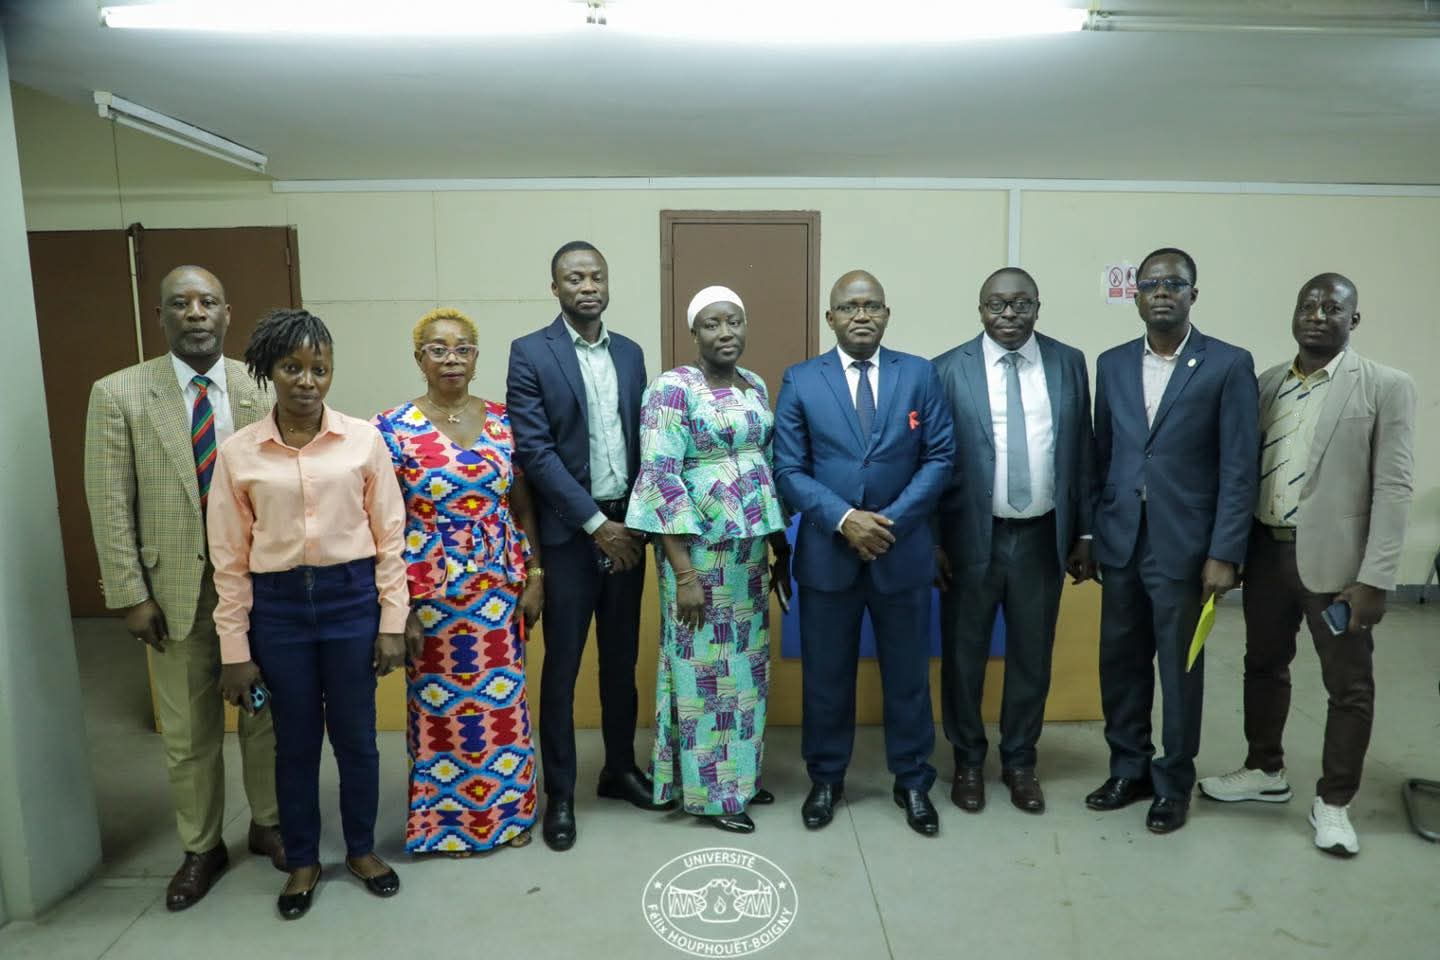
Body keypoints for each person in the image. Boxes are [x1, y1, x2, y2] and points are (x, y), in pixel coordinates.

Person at [83, 265, 282, 911]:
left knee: (265, 715)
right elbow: (110, 500)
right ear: (162, 317)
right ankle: (201, 847)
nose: (195, 313)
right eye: (180, 304)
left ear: (227, 313)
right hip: (173, 593)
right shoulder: (119, 394)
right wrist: (129, 593)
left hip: (259, 587)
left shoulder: (262, 384)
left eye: (207, 302)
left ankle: (269, 824)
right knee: (188, 733)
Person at [1198, 273, 1416, 857]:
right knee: (1263, 665)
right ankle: (1264, 769)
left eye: (1333, 307)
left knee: (1348, 686)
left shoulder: (1385, 387)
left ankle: (1335, 802)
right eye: (1308, 305)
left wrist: (1375, 578)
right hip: (1267, 551)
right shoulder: (1267, 384)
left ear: (1354, 319)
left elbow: (1394, 488)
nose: (1318, 314)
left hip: (1338, 566)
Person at [207, 309, 407, 919]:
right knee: (291, 743)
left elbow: (391, 537)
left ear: (330, 373)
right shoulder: (239, 453)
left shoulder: (363, 441)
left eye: (318, 368)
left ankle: (361, 850)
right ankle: (301, 860)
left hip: (351, 601)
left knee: (357, 739)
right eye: (292, 367)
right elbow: (229, 560)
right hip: (280, 610)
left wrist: (393, 622)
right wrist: (235, 652)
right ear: (270, 372)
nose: (306, 380)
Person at [773, 270, 955, 837]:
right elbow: (787, 469)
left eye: (872, 306)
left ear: (886, 314)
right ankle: (826, 779)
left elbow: (941, 457)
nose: (861, 315)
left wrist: (888, 524)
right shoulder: (801, 380)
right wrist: (845, 519)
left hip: (902, 555)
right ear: (830, 318)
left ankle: (913, 780)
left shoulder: (919, 374)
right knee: (826, 678)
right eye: (849, 307)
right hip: (829, 556)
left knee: (907, 676)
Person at [1087, 247, 1259, 835]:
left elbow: (1240, 466)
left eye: (1174, 283)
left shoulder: (1227, 365)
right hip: (1122, 542)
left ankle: (1173, 781)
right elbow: (1102, 454)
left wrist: (1226, 552)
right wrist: (1093, 530)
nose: (1162, 292)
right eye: (1150, 284)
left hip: (1186, 550)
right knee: (1121, 663)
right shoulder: (1110, 364)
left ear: (1193, 293)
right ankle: (1128, 768)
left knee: (1178, 669)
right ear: (1134, 295)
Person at [505, 240, 668, 852]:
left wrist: (634, 524)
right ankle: (562, 792)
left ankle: (619, 769)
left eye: (596, 276)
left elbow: (648, 442)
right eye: (574, 278)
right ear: (556, 289)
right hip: (573, 537)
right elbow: (535, 452)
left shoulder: (629, 353)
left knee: (621, 660)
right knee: (564, 667)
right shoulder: (530, 352)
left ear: (607, 283)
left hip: (629, 530)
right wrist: (594, 525)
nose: (587, 286)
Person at [373, 307, 544, 855]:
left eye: (463, 348)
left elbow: (521, 503)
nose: (452, 358)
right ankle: (444, 827)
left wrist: (534, 573)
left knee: (503, 707)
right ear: (418, 357)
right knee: (439, 708)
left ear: (476, 356)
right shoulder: (390, 428)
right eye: (438, 348)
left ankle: (509, 819)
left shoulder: (502, 420)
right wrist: (402, 608)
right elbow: (385, 521)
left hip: (498, 585)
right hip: (431, 588)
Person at [625, 286, 791, 834]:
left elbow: (764, 466)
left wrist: (777, 547)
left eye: (735, 322)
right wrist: (686, 574)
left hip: (746, 558)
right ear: (694, 332)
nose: (726, 333)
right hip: (699, 558)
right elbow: (659, 481)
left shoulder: (755, 385)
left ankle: (739, 777)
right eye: (713, 324)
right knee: (705, 677)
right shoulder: (673, 389)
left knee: (745, 671)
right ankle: (712, 794)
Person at [931, 267, 1096, 816]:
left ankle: (1021, 760)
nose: (1008, 315)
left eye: (1020, 304)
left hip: (1042, 537)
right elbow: (932, 462)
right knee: (964, 655)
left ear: (1037, 307)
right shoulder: (947, 370)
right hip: (970, 539)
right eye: (997, 305)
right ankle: (969, 761)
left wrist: (1086, 531)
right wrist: (932, 539)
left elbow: (1083, 451)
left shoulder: (1068, 362)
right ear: (980, 309)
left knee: (1032, 654)